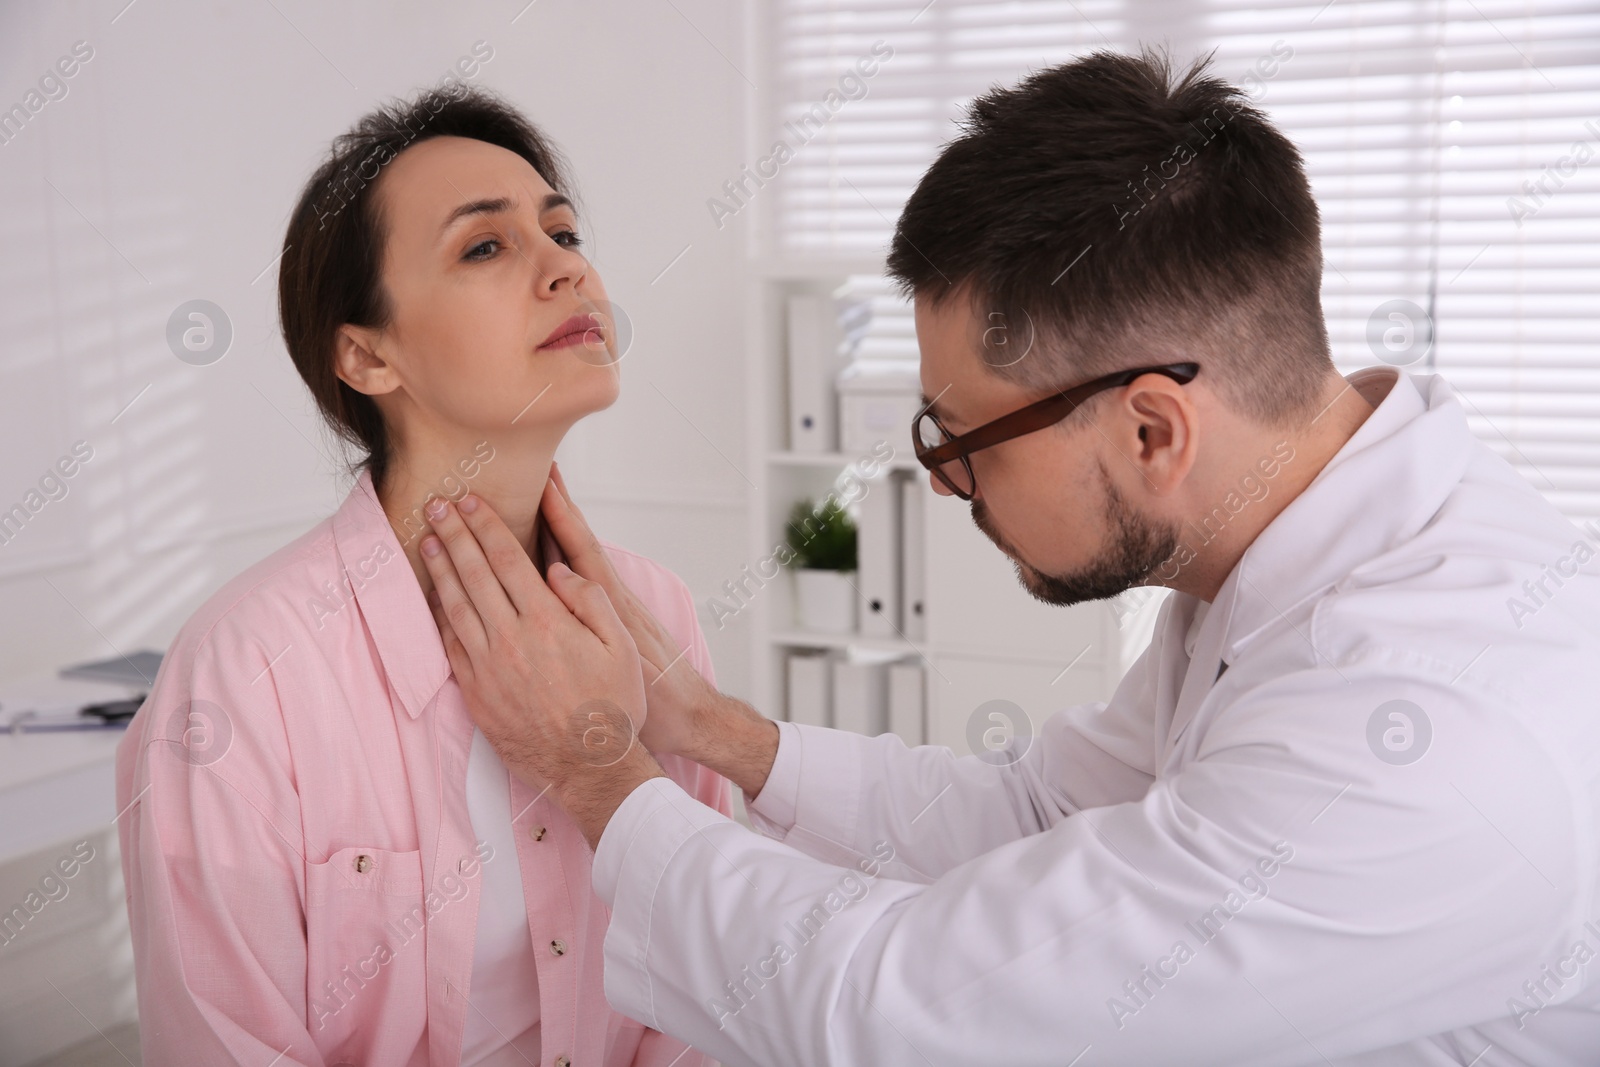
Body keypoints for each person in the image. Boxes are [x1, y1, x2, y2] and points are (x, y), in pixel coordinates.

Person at [420, 49, 1600, 1066]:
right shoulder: (1280, 552)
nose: (942, 480)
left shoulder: (1416, 727)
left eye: (964, 436)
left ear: (1151, 429)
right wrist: (710, 729)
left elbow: (910, 1011)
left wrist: (594, 773)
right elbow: (1042, 811)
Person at [114, 85, 728, 1066]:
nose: (565, 268)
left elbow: (702, 990)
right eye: (486, 246)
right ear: (366, 354)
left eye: (562, 232)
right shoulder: (245, 675)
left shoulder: (654, 613)